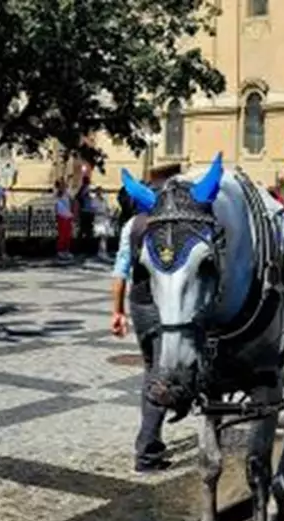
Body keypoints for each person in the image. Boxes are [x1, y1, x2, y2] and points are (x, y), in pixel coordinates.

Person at [109, 165, 180, 472]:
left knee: (153, 369)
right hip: (166, 306)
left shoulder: (133, 225)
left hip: (140, 304)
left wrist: (117, 311)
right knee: (162, 374)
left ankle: (153, 441)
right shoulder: (177, 222)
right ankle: (147, 452)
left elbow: (120, 271)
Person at [54, 179, 74, 260]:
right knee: (62, 235)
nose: (64, 186)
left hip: (68, 215)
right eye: (62, 185)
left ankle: (66, 250)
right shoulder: (57, 193)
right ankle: (60, 251)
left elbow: (71, 197)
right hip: (61, 216)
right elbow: (58, 195)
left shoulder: (67, 192)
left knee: (67, 235)